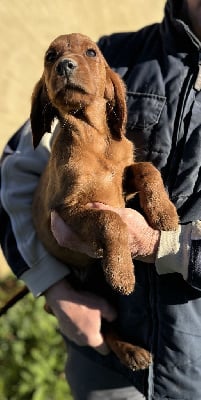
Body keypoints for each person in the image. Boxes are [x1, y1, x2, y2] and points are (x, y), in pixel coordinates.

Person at [1, 0, 201, 398]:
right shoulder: (118, 57)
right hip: (105, 364)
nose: (68, 63)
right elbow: (15, 172)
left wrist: (162, 245)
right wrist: (56, 291)